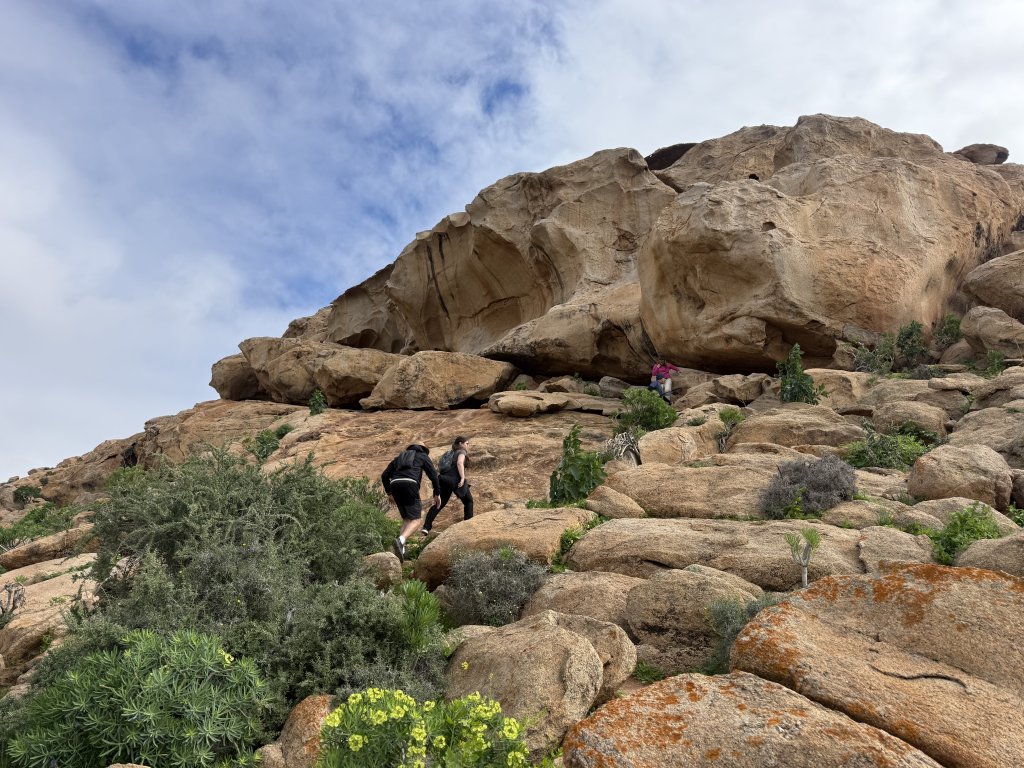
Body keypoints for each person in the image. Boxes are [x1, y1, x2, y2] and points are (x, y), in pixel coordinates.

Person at [380, 440, 440, 562]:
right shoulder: (423, 456)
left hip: (395, 485)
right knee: (417, 519)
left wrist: (389, 493)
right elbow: (433, 476)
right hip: (410, 484)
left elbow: (384, 475)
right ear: (423, 449)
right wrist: (437, 493)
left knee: (407, 519)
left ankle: (399, 550)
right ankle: (401, 540)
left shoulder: (399, 457)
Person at [421, 436, 474, 535]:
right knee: (469, 501)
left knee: (438, 504)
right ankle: (468, 524)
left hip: (443, 479)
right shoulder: (461, 451)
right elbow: (459, 463)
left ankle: (426, 527)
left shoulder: (450, 453)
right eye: (467, 443)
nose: (468, 445)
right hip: (455, 480)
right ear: (460, 444)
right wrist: (462, 478)